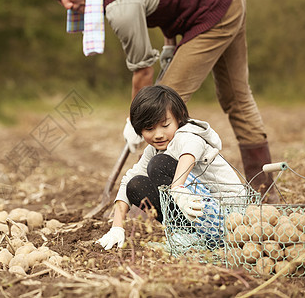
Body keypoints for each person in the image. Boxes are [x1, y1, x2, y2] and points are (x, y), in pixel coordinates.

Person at [53, 0, 277, 202]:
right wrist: (170, 43)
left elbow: (143, 72)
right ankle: (265, 196)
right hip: (227, 5)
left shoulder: (121, 9)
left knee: (163, 102)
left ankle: (156, 202)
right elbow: (168, 7)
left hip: (212, 10)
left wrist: (135, 121)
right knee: (237, 99)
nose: (67, 5)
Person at [96, 85, 245, 250]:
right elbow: (127, 181)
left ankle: (206, 236)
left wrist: (177, 187)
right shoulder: (153, 150)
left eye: (165, 125)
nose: (158, 134)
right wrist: (117, 227)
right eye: (149, 129)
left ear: (179, 118)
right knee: (135, 185)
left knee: (159, 164)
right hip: (202, 216)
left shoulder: (188, 134)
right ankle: (190, 235)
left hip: (230, 218)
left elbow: (190, 150)